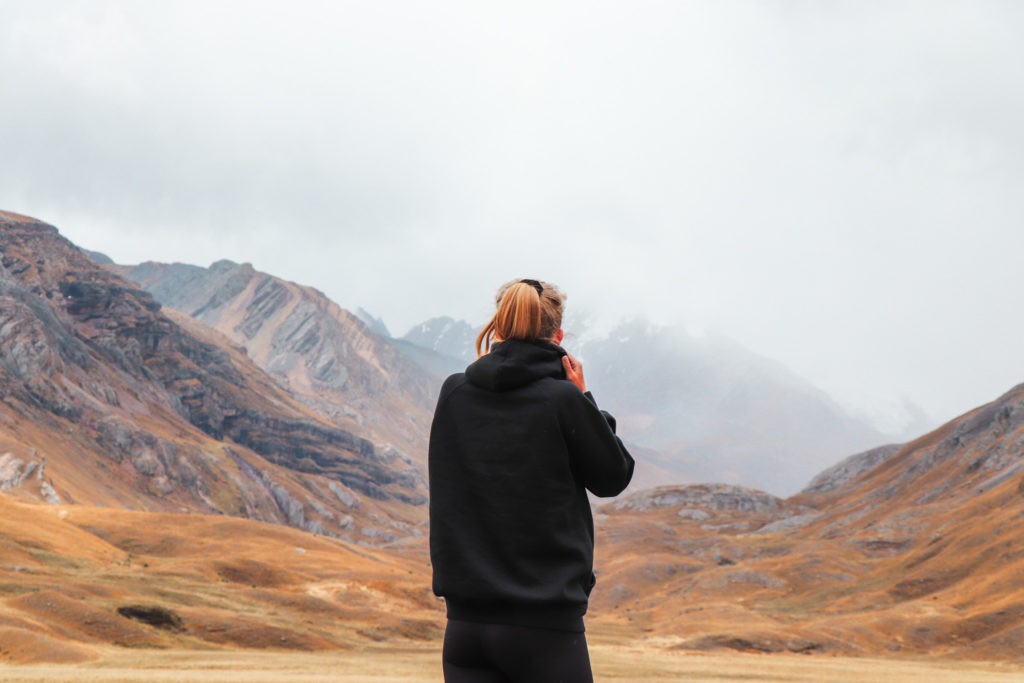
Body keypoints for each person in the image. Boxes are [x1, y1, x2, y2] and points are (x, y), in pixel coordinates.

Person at [428, 278, 635, 683]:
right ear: (558, 338)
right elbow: (613, 476)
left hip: (465, 629)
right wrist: (585, 398)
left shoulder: (454, 392)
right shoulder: (563, 400)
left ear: (499, 329)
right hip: (544, 627)